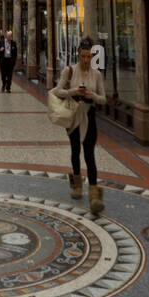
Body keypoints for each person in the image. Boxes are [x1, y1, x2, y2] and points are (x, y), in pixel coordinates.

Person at [54, 36, 106, 215]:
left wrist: (92, 96)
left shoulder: (97, 74)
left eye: (88, 56)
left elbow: (104, 98)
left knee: (90, 153)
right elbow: (57, 91)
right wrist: (73, 92)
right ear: (78, 55)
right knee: (75, 150)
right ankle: (77, 185)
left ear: (92, 56)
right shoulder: (69, 71)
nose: (85, 60)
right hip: (74, 117)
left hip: (89, 116)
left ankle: (94, 196)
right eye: (83, 56)